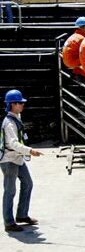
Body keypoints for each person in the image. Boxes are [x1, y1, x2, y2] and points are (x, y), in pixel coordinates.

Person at [0, 89, 42, 232]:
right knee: (10, 191)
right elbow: (13, 144)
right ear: (12, 104)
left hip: (17, 158)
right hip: (9, 159)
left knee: (28, 183)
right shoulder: (9, 123)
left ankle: (22, 215)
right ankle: (9, 222)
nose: (23, 105)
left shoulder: (17, 117)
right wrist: (30, 151)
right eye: (20, 103)